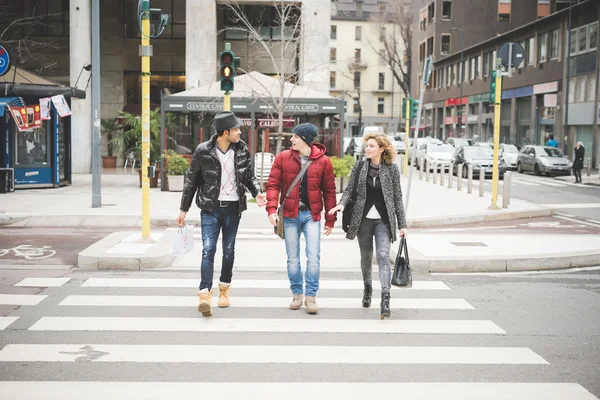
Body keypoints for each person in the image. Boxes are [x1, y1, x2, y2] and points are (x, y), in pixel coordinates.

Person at [178, 111, 267, 318]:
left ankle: (224, 289)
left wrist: (257, 193)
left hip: (233, 208)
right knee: (208, 250)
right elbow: (191, 181)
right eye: (236, 129)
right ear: (225, 132)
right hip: (210, 208)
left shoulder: (242, 149)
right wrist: (184, 209)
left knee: (229, 250)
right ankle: (204, 295)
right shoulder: (203, 151)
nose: (239, 132)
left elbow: (249, 176)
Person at [329, 133, 408, 319]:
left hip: (384, 220)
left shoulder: (392, 170)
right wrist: (342, 204)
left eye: (372, 146)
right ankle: (367, 288)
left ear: (381, 149)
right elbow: (349, 189)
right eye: (367, 146)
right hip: (362, 219)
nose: (368, 149)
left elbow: (397, 197)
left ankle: (385, 297)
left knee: (382, 255)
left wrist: (402, 224)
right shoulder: (360, 166)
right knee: (366, 257)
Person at [266, 123, 337, 315]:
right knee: (293, 259)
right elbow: (273, 184)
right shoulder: (283, 158)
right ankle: (297, 294)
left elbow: (329, 192)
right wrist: (271, 209)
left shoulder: (323, 162)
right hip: (289, 215)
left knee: (313, 257)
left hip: (311, 215)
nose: (291, 139)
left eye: (295, 136)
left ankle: (311, 296)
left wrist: (330, 219)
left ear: (305, 139)